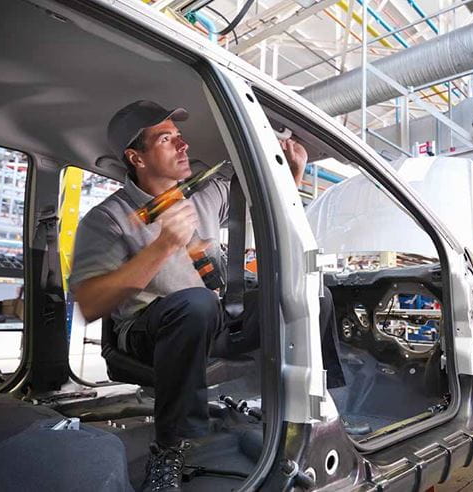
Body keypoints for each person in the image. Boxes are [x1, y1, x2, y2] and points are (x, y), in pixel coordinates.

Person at [69, 100, 344, 492]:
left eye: (180, 137)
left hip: (210, 317)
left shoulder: (205, 194)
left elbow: (261, 199)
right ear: (136, 157)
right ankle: (169, 450)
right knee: (193, 304)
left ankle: (319, 408)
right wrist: (162, 246)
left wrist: (291, 177)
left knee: (311, 294)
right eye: (167, 139)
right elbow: (90, 303)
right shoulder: (108, 219)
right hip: (150, 332)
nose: (183, 146)